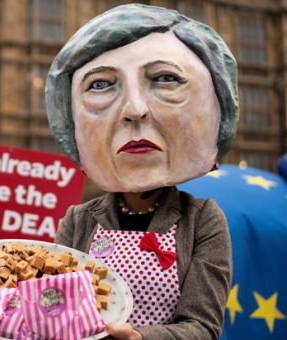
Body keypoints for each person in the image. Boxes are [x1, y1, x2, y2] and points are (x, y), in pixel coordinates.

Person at [46, 4, 237, 339]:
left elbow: (203, 328)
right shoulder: (78, 221)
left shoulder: (202, 220)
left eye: (166, 78)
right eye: (101, 84)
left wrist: (141, 337)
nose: (134, 110)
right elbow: (55, 308)